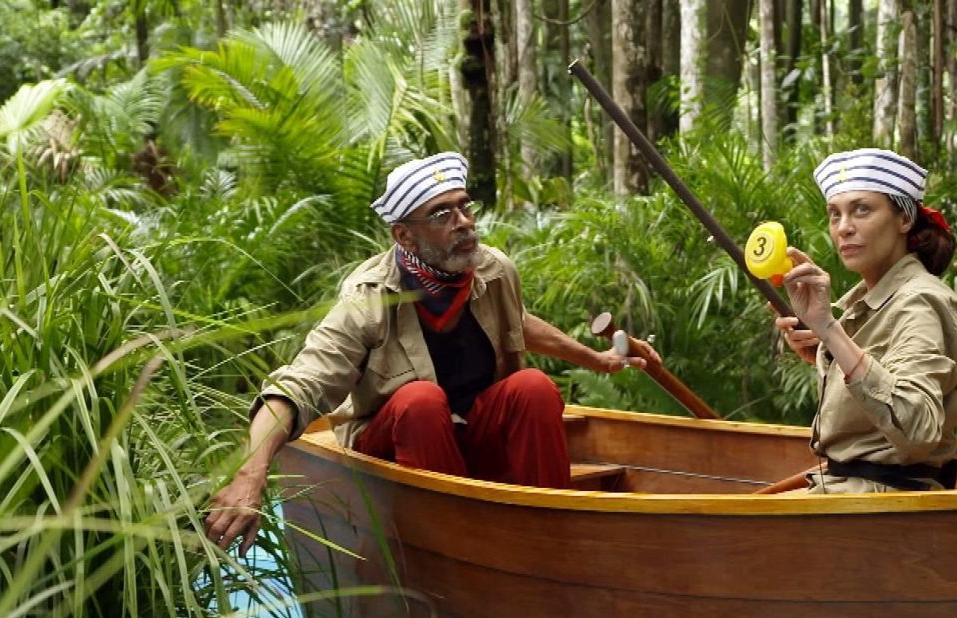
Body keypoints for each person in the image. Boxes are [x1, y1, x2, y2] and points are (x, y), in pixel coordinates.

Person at [205, 152, 658, 551]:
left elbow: (516, 322)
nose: (463, 222)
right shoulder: (368, 299)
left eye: (464, 207)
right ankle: (452, 544)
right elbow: (299, 384)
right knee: (420, 401)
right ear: (404, 236)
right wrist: (250, 473)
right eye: (442, 214)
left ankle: (550, 532)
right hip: (401, 442)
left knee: (533, 387)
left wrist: (598, 360)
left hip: (470, 432)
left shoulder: (493, 270)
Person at [775, 147, 957, 494]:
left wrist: (830, 329)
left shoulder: (920, 302)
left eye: (862, 209)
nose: (844, 228)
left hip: (882, 503)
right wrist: (823, 349)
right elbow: (879, 382)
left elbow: (917, 429)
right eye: (834, 214)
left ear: (904, 219)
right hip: (844, 492)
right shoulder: (874, 301)